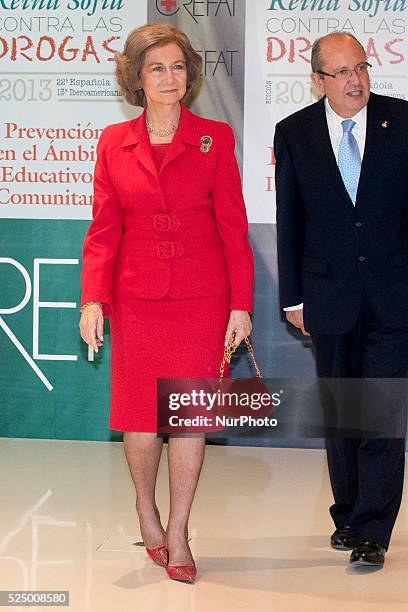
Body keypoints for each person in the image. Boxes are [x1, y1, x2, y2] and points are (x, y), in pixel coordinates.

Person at [79, 23, 254, 583]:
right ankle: (146, 511)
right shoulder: (113, 141)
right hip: (136, 298)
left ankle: (178, 530)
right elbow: (103, 231)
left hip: (202, 299)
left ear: (191, 75)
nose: (169, 78)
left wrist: (240, 305)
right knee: (138, 416)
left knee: (190, 417)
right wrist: (92, 300)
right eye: (156, 68)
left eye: (178, 67)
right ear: (136, 78)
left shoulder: (214, 138)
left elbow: (234, 229)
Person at [274, 31, 408, 568]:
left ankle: (374, 526)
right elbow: (291, 218)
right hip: (327, 293)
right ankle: (350, 513)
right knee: (342, 412)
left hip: (394, 293)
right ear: (318, 80)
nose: (356, 80)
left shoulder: (401, 122)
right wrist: (292, 296)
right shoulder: (295, 133)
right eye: (342, 72)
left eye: (361, 68)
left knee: (380, 409)